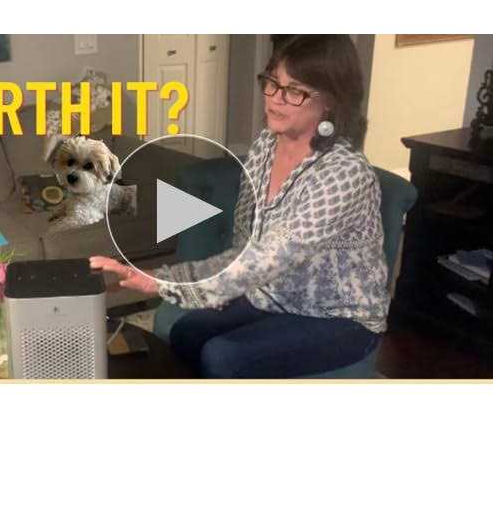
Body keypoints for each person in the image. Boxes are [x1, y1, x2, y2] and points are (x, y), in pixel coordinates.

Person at [91, 35, 389, 378]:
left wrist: (159, 283)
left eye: (295, 91)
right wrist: (173, 278)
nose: (275, 99)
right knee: (186, 333)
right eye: (273, 83)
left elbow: (269, 257)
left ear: (330, 101)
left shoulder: (344, 173)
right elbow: (246, 247)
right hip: (273, 297)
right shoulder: (265, 146)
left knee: (223, 356)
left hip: (339, 317)